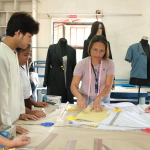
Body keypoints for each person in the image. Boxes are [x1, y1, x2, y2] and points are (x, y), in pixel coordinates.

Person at [0, 12, 39, 133]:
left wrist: (21, 112)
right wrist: (7, 128)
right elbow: (2, 95)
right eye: (29, 36)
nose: (30, 40)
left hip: (14, 120)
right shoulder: (1, 55)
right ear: (18, 33)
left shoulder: (12, 53)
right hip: (5, 125)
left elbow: (17, 89)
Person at [71, 35, 115, 112]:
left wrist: (99, 98)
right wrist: (79, 96)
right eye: (95, 49)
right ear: (90, 49)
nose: (97, 54)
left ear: (105, 51)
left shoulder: (110, 64)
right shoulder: (82, 64)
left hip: (102, 100)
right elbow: (74, 85)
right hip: (84, 100)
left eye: (101, 51)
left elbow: (108, 86)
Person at [16, 45, 49, 118]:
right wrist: (30, 112)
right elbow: (13, 101)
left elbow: (25, 94)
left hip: (25, 109)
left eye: (28, 55)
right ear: (15, 53)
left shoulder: (21, 68)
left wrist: (35, 103)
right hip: (19, 112)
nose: (27, 58)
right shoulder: (13, 71)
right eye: (25, 55)